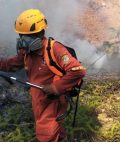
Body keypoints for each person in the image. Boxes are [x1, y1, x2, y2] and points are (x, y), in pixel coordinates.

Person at [0, 9, 86, 141]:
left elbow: (78, 70)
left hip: (53, 102)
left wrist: (55, 87)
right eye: (21, 36)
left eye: (27, 36)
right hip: (39, 101)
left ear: (40, 34)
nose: (23, 40)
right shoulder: (27, 52)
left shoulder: (54, 49)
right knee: (55, 134)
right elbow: (11, 65)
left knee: (46, 136)